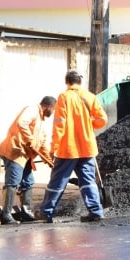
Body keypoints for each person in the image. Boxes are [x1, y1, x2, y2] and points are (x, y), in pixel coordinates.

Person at [36, 70, 108, 223]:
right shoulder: (90, 97)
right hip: (87, 148)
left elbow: (59, 124)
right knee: (88, 181)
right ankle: (96, 211)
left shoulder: (64, 97)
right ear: (79, 82)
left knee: (58, 181)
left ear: (67, 82)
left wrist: (53, 146)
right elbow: (102, 120)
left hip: (68, 149)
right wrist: (89, 124)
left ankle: (47, 212)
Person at [0, 96, 56, 225]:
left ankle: (25, 212)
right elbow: (22, 123)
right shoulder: (32, 110)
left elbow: (43, 145)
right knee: (12, 183)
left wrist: (50, 160)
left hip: (26, 157)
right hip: (16, 152)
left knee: (28, 182)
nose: (53, 112)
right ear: (48, 106)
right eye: (53, 109)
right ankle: (6, 215)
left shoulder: (42, 122)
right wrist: (30, 140)